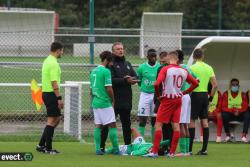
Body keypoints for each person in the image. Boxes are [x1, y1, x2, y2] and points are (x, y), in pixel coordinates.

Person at [145, 51, 199, 158]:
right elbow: (196, 83)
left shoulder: (166, 69)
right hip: (178, 100)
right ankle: (172, 153)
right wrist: (185, 92)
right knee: (176, 125)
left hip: (167, 99)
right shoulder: (183, 70)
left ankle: (154, 152)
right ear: (177, 59)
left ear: (169, 59)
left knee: (158, 124)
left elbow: (156, 84)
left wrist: (159, 95)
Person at [100, 42, 138, 151]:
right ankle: (101, 146)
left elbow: (135, 75)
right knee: (108, 124)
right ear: (113, 51)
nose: (120, 51)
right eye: (117, 49)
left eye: (121, 48)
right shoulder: (110, 65)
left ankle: (127, 146)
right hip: (114, 100)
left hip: (127, 99)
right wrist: (125, 80)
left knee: (127, 124)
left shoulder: (128, 63)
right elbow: (111, 80)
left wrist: (132, 79)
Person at [36, 41, 64, 154]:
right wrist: (59, 98)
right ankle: (48, 148)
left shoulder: (48, 60)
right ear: (58, 50)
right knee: (52, 120)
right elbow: (54, 82)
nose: (62, 52)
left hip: (47, 93)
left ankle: (41, 145)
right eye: (62, 50)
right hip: (51, 94)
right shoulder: (53, 63)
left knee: (56, 120)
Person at [90, 51, 120, 155]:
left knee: (98, 125)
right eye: (111, 62)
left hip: (95, 102)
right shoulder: (106, 71)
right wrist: (113, 100)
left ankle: (98, 149)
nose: (112, 64)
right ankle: (116, 149)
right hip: (104, 102)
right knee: (112, 125)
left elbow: (91, 90)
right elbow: (108, 88)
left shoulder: (93, 71)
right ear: (107, 60)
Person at [189, 48, 218, 155]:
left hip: (195, 95)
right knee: (204, 122)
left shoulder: (191, 68)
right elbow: (215, 85)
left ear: (194, 57)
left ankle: (189, 149)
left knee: (192, 121)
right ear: (202, 56)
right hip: (205, 95)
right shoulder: (209, 67)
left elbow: (189, 84)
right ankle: (204, 149)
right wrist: (210, 98)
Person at [175, 49, 197, 156]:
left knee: (181, 123)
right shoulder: (187, 67)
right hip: (187, 96)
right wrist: (189, 91)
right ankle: (187, 151)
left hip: (181, 96)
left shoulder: (180, 68)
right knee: (185, 124)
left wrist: (184, 91)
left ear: (177, 58)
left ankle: (183, 151)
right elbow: (197, 80)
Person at [137, 49, 160, 141]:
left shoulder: (159, 67)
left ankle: (154, 143)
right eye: (151, 56)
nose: (154, 58)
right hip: (144, 95)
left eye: (155, 56)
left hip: (155, 95)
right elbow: (139, 81)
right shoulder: (142, 67)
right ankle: (140, 142)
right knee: (142, 119)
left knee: (155, 120)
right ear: (147, 57)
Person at [105, 128, 170, 156]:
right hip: (140, 142)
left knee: (114, 149)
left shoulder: (145, 151)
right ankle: (126, 138)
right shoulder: (154, 146)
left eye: (159, 147)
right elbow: (163, 142)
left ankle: (105, 150)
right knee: (133, 129)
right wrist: (170, 140)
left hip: (130, 147)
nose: (159, 146)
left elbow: (133, 153)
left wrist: (129, 148)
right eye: (159, 146)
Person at [221, 78, 250, 142]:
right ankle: (228, 135)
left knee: (247, 114)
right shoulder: (226, 94)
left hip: (240, 114)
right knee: (224, 114)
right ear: (230, 86)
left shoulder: (242, 94)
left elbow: (245, 106)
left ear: (238, 86)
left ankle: (244, 136)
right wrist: (233, 110)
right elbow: (223, 107)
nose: (235, 86)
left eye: (236, 85)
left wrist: (238, 111)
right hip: (230, 114)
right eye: (233, 85)